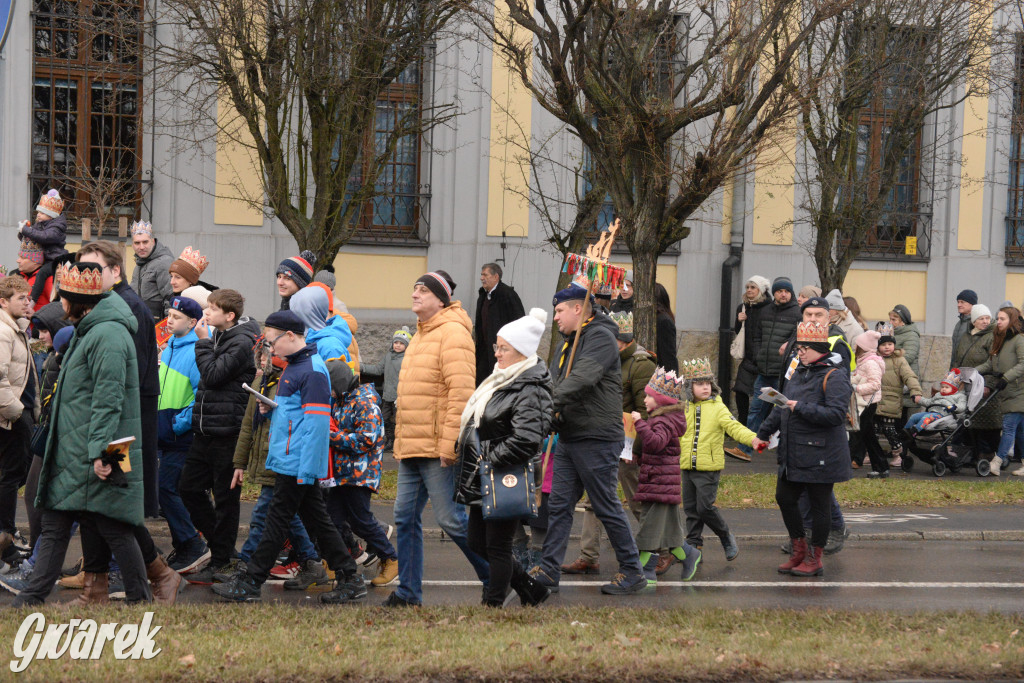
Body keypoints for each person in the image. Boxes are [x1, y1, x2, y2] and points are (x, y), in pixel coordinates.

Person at [13, 262, 152, 606]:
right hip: (76, 450)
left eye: (64, 300)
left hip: (98, 450)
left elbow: (109, 398)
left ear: (79, 303)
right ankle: (30, 600)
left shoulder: (109, 334)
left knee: (114, 525)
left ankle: (141, 600)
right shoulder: (90, 329)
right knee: (56, 524)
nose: (59, 305)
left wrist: (100, 454)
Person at [213, 311, 365, 604]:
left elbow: (317, 425)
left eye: (272, 342)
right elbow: (296, 414)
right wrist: (272, 410)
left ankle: (251, 581)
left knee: (275, 521)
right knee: (318, 522)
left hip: (297, 463)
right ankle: (350, 577)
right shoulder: (296, 368)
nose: (270, 349)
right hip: (290, 458)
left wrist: (307, 470)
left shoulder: (311, 371)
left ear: (291, 336)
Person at [529, 283, 646, 596]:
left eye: (559, 310)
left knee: (606, 505)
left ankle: (633, 571)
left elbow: (582, 379)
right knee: (560, 507)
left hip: (596, 436)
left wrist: (547, 404)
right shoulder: (567, 342)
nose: (555, 317)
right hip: (570, 434)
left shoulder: (599, 337)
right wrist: (547, 412)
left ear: (578, 308)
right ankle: (549, 570)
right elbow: (555, 382)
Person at [385, 270, 489, 607]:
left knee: (452, 521)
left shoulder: (453, 333)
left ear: (440, 299)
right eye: (414, 288)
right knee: (403, 517)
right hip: (413, 446)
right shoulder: (419, 334)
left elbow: (461, 395)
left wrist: (450, 446)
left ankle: (498, 577)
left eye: (423, 290)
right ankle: (408, 592)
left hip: (436, 448)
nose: (415, 294)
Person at [454, 309, 554, 607]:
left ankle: (493, 604)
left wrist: (488, 459)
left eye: (503, 348)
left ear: (522, 352)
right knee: (476, 542)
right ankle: (530, 588)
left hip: (504, 475)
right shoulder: (502, 379)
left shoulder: (531, 387)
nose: (496, 353)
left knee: (496, 546)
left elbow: (526, 439)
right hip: (484, 474)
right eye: (496, 346)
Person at [758, 321, 853, 578]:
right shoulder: (798, 370)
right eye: (798, 348)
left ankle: (815, 557)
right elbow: (782, 405)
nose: (799, 353)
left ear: (818, 348)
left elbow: (835, 415)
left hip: (822, 453)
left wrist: (799, 406)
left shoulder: (835, 375)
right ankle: (798, 549)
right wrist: (763, 433)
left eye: (803, 348)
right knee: (785, 497)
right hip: (794, 450)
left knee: (819, 505)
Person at [562, 310, 653, 576]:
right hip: (602, 439)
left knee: (636, 500)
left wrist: (634, 450)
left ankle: (663, 548)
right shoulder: (601, 355)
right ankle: (589, 556)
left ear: (623, 341)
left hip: (627, 445)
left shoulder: (641, 365)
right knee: (595, 501)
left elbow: (645, 410)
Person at [179, 289, 260, 584]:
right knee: (188, 488)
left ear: (230, 315)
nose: (206, 312)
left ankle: (224, 560)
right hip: (205, 430)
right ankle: (222, 550)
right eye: (207, 307)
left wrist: (201, 342)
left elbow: (212, 375)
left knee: (225, 499)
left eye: (212, 309)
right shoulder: (219, 338)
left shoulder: (240, 341)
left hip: (227, 431)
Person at [77, 241, 162, 518]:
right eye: (82, 269)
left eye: (93, 269)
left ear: (115, 271)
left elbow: (126, 377)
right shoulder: (109, 303)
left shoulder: (127, 307)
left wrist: (112, 441)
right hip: (120, 417)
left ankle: (145, 557)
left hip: (126, 419)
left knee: (120, 494)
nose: (85, 275)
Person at [229, 339, 320, 584]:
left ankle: (247, 565)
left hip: (282, 458)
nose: (261, 359)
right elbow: (248, 426)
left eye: (266, 354)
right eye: (259, 355)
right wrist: (240, 463)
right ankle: (312, 561)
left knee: (262, 515)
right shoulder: (260, 382)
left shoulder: (289, 380)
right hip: (267, 458)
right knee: (288, 516)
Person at [678, 358, 766, 561]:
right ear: (689, 388)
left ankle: (725, 535)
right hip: (687, 465)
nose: (705, 387)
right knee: (691, 509)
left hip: (708, 467)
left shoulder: (718, 407)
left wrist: (752, 439)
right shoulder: (684, 408)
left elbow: (733, 427)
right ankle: (694, 546)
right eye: (700, 384)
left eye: (708, 383)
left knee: (704, 507)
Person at [324, 360, 400, 589]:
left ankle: (391, 559)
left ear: (339, 382)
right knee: (333, 519)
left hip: (360, 473)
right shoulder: (341, 400)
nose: (329, 392)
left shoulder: (364, 402)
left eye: (330, 386)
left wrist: (331, 437)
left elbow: (367, 439)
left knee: (361, 520)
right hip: (341, 473)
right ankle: (339, 565)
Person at [630, 367, 703, 584]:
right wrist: (636, 457)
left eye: (649, 396)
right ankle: (689, 555)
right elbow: (652, 450)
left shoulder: (663, 421)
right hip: (659, 481)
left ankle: (645, 573)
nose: (644, 400)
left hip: (661, 483)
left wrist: (638, 423)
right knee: (670, 533)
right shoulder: (660, 418)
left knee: (648, 530)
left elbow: (656, 443)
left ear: (660, 401)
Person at [156, 296, 209, 573]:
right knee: (166, 490)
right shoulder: (168, 349)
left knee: (166, 488)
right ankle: (185, 543)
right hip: (165, 433)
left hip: (181, 436)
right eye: (169, 315)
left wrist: (179, 423)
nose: (170, 321)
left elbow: (201, 394)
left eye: (176, 317)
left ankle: (193, 544)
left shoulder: (195, 351)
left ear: (192, 322)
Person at [0, 276, 37, 557]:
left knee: (14, 474)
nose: (28, 303)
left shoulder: (17, 329)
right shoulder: (4, 331)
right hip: (9, 415)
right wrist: (16, 412)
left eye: (28, 298)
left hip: (18, 413)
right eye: (21, 298)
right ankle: (6, 536)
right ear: (4, 302)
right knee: (11, 476)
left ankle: (6, 533)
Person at [747, 277, 800, 438]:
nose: (783, 294)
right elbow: (757, 336)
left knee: (782, 410)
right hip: (764, 371)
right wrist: (758, 355)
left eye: (786, 291)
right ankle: (747, 445)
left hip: (782, 373)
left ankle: (781, 443)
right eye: (779, 291)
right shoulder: (766, 311)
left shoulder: (798, 313)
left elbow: (797, 340)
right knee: (755, 409)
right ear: (774, 293)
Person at [975, 307, 1024, 476]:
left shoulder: (1019, 340)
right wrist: (973, 372)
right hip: (1007, 390)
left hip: (1019, 391)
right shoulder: (1000, 339)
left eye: (1002, 318)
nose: (999, 321)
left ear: (1012, 320)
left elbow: (1023, 364)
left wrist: (1006, 377)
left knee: (1009, 427)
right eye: (998, 318)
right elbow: (991, 363)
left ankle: (996, 463)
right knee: (1020, 430)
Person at [875, 324, 923, 474]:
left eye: (890, 344)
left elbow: (909, 376)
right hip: (875, 401)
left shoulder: (899, 360)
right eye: (883, 344)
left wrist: (915, 391)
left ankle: (899, 453)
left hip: (891, 401)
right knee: (873, 429)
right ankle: (872, 454)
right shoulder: (874, 359)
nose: (887, 347)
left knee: (889, 430)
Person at [954, 305, 999, 456]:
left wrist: (988, 384)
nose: (985, 321)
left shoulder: (992, 336)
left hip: (983, 384)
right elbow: (958, 358)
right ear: (974, 321)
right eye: (981, 319)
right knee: (969, 419)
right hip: (966, 384)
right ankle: (970, 453)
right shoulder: (967, 336)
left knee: (985, 421)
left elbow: (994, 363)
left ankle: (987, 454)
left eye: (987, 318)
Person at [730, 275, 771, 433]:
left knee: (766, 395)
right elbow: (738, 332)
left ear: (761, 290)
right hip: (748, 358)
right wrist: (739, 321)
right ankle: (742, 425)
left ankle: (765, 428)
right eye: (747, 287)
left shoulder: (769, 307)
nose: (749, 290)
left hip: (763, 359)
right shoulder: (743, 307)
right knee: (740, 390)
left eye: (753, 287)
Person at [474, 262, 526, 385]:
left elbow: (519, 322)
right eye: (481, 275)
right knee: (482, 383)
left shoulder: (508, 295)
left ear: (496, 277)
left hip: (502, 352)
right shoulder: (483, 295)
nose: (482, 278)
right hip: (484, 351)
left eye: (485, 275)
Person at [360, 327, 411, 451]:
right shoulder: (388, 356)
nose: (398, 345)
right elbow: (378, 369)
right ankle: (390, 439)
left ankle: (399, 442)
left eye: (401, 343)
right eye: (396, 342)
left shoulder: (408, 359)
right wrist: (361, 367)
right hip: (387, 395)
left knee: (399, 420)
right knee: (384, 418)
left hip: (400, 396)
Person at [848, 331, 886, 476]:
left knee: (861, 435)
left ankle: (880, 467)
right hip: (866, 402)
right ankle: (881, 467)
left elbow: (875, 384)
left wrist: (856, 388)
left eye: (857, 344)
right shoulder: (865, 360)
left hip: (867, 403)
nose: (855, 346)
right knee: (867, 436)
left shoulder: (870, 363)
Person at [289, 285, 352, 364]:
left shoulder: (330, 347)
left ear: (310, 314)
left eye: (298, 312)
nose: (293, 318)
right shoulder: (306, 339)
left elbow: (336, 375)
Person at [129, 221, 175, 321]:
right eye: (137, 243)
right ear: (132, 244)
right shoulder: (139, 264)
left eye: (145, 242)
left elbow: (171, 298)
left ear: (153, 241)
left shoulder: (163, 262)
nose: (141, 247)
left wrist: (168, 327)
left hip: (157, 326)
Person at [17, 189, 68, 263]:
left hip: (54, 259)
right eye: (38, 212)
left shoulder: (57, 227)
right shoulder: (40, 223)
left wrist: (26, 230)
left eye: (42, 213)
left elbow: (44, 237)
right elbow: (28, 239)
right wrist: (23, 231)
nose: (38, 215)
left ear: (51, 216)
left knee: (42, 274)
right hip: (40, 258)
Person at [10, 238, 56, 313]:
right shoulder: (16, 275)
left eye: (23, 257)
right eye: (19, 257)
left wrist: (35, 317)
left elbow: (55, 307)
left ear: (35, 261)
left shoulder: (48, 279)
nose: (18, 260)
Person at [889, 305, 921, 378]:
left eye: (894, 320)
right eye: (890, 319)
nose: (890, 323)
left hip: (907, 376)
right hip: (894, 374)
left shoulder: (911, 335)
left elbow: (908, 357)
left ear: (903, 321)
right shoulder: (892, 332)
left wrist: (888, 362)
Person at [654, 282, 678, 373]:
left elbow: (668, 355)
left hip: (661, 373)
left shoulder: (663, 321)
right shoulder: (660, 318)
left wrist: (671, 378)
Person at [951, 290, 978, 370]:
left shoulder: (975, 323)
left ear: (971, 304)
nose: (959, 305)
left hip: (969, 370)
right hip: (956, 368)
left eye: (962, 302)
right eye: (958, 302)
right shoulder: (959, 323)